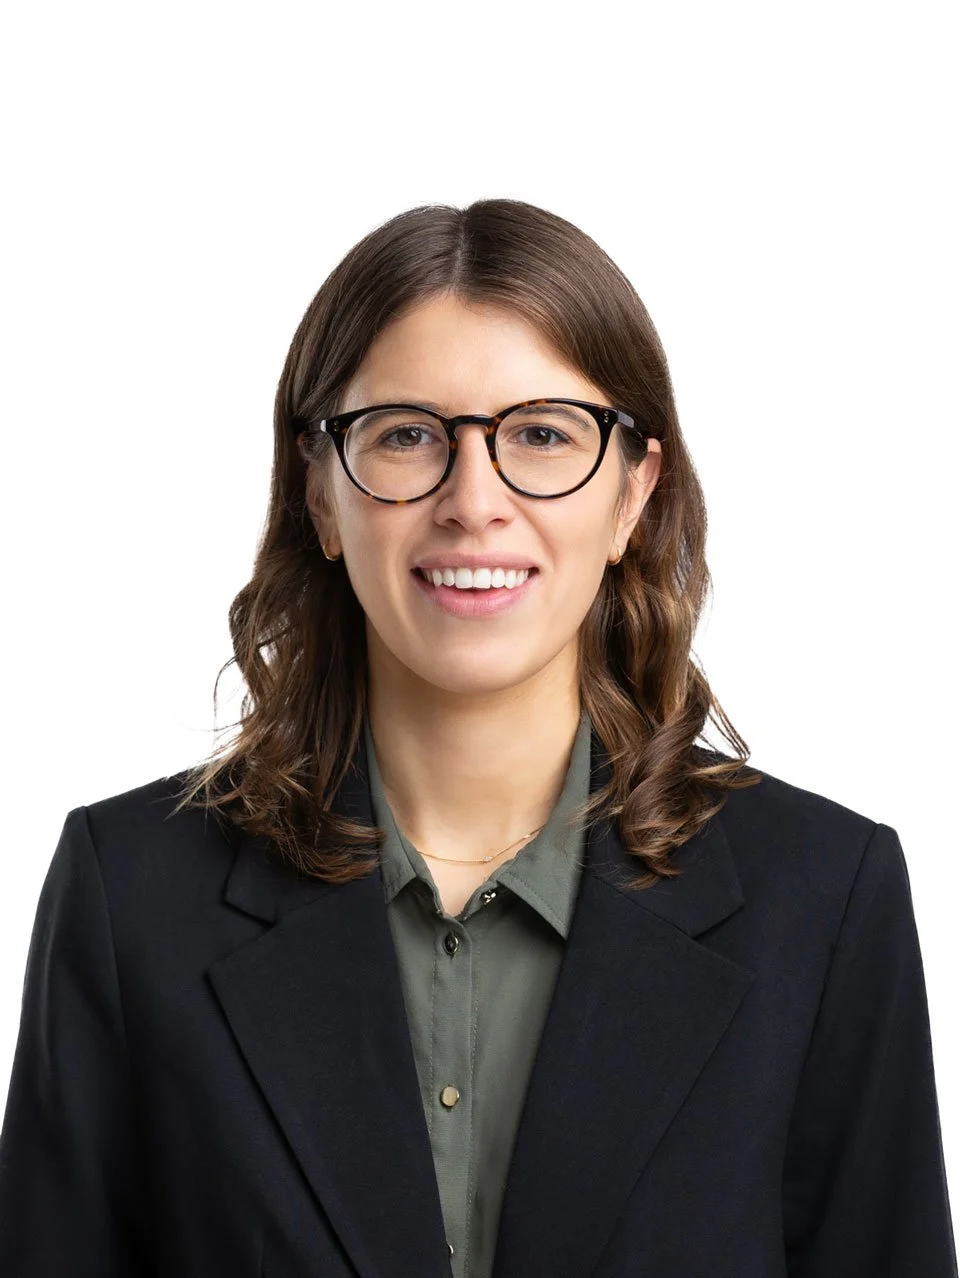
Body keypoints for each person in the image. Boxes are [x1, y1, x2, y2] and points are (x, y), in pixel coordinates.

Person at [0, 199, 956, 1278]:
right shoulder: (130, 897)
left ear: (633, 495)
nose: (473, 500)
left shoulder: (822, 901)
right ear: (320, 493)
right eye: (406, 435)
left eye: (542, 434)